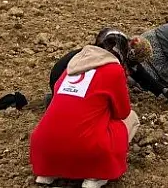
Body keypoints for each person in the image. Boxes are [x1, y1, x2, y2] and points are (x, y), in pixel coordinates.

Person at [30, 30, 140, 188]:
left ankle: (48, 172)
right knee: (132, 119)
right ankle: (95, 175)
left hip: (43, 147)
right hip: (86, 149)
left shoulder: (72, 67)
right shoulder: (114, 70)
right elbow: (122, 112)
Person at [48, 29, 168, 106]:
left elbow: (139, 72)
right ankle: (55, 101)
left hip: (61, 76)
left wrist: (162, 90)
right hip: (61, 78)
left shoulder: (118, 46)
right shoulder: (107, 58)